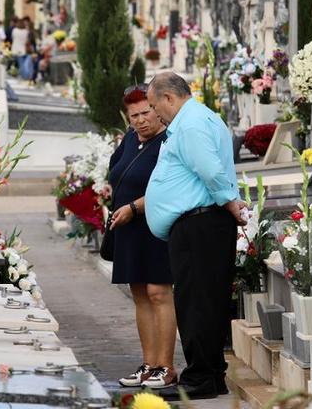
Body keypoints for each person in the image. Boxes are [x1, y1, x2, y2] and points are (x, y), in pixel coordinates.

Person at [144, 71, 245, 400]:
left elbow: (209, 169)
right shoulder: (201, 117)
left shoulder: (189, 123)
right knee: (209, 301)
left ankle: (200, 377)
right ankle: (213, 374)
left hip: (199, 225)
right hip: (203, 224)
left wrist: (231, 203)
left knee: (196, 303)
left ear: (169, 98)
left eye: (154, 105)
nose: (154, 113)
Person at [108, 85, 177, 389]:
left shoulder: (170, 141)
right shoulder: (129, 140)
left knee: (158, 292)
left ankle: (166, 366)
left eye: (145, 112)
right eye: (133, 115)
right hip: (128, 229)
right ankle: (148, 364)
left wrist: (133, 208)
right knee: (139, 295)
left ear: (156, 108)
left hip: (154, 224)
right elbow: (116, 172)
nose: (140, 120)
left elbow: (170, 186)